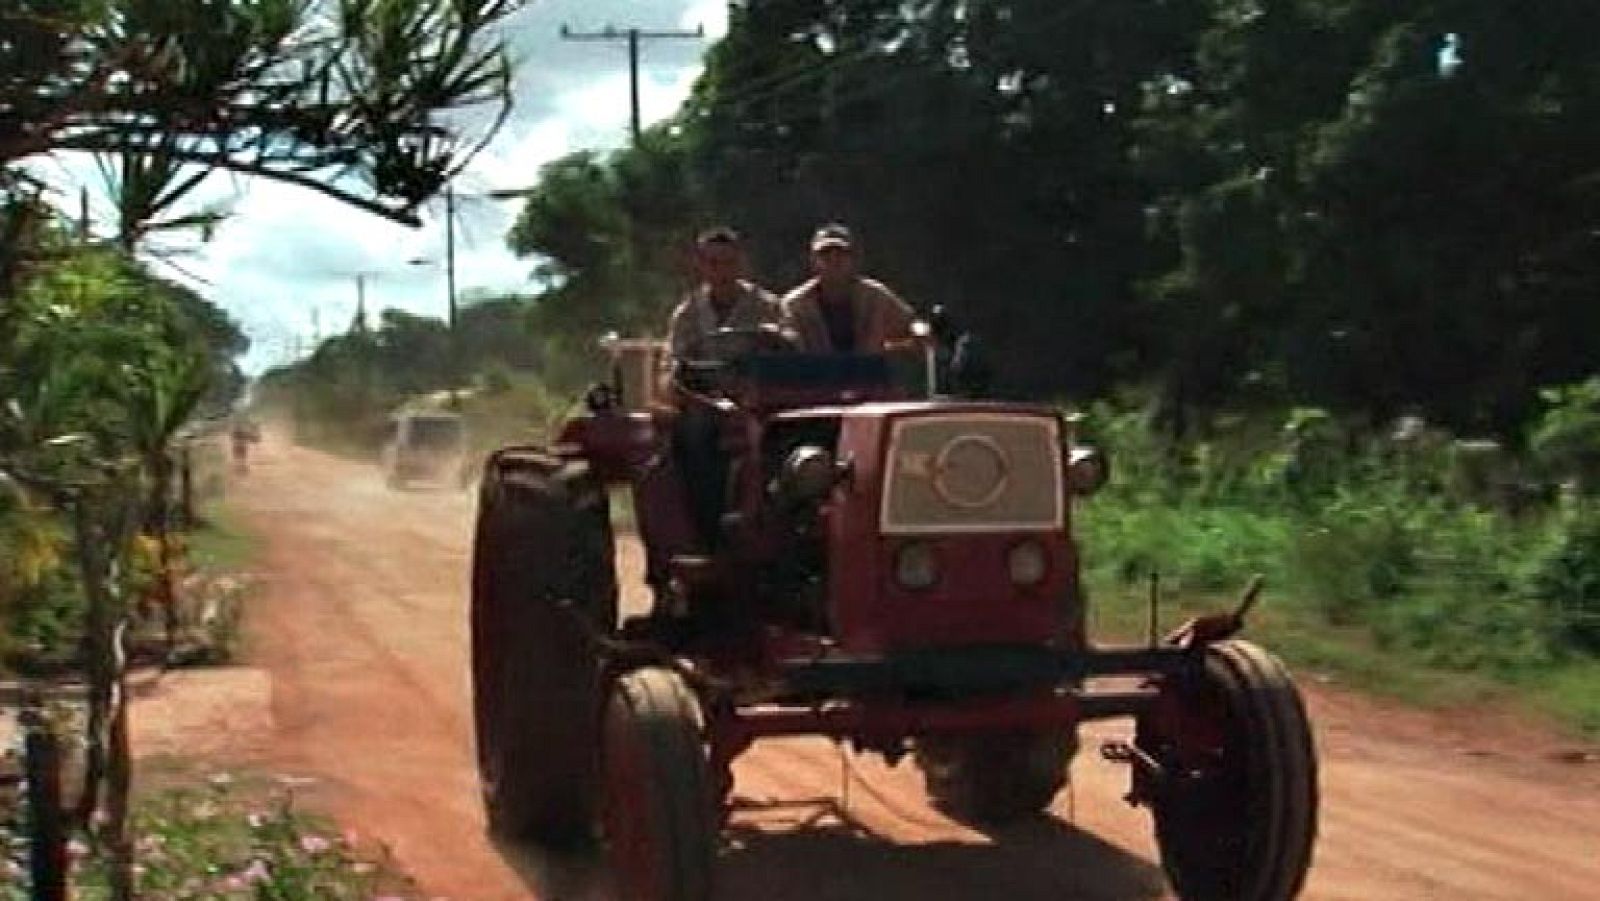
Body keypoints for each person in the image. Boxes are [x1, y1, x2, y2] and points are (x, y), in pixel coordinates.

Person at [780, 223, 917, 354]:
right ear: (813, 260)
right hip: (813, 375)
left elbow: (910, 324)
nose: (834, 260)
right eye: (825, 254)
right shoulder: (795, 304)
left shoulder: (876, 296)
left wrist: (919, 333)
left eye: (841, 253)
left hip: (868, 375)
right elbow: (786, 344)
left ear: (853, 258)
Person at [666, 227, 781, 365]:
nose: (722, 270)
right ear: (701, 265)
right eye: (714, 263)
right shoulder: (688, 314)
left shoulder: (766, 307)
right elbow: (674, 365)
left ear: (740, 263)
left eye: (729, 263)